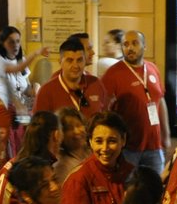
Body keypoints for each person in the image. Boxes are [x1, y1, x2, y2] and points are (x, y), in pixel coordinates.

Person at [100, 30, 169, 174]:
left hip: (154, 146)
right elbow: (104, 110)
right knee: (128, 191)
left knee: (156, 189)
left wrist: (166, 135)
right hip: (128, 148)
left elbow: (160, 101)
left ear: (144, 46)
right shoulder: (113, 74)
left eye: (135, 43)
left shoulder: (153, 69)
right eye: (126, 44)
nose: (130, 48)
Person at [32, 35, 108, 121]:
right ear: (60, 62)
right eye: (70, 60)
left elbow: (105, 118)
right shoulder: (46, 91)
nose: (75, 66)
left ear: (84, 60)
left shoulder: (96, 84)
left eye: (79, 60)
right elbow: (39, 128)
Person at [52, 107, 88, 184]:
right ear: (61, 134)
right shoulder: (62, 167)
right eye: (69, 129)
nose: (77, 131)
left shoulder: (92, 152)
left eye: (78, 125)